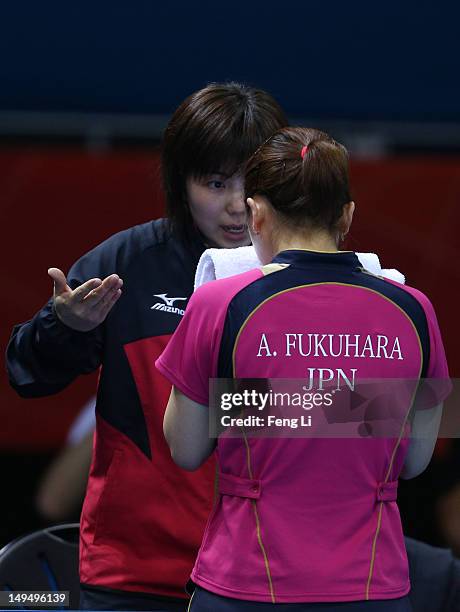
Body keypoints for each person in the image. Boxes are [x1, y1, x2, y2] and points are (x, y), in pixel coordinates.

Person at [6, 82, 288, 611]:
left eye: (251, 184)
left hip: (266, 574)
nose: (235, 206)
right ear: (181, 184)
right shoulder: (128, 263)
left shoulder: (304, 279)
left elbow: (351, 418)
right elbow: (27, 374)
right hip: (132, 574)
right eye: (214, 182)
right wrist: (66, 326)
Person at [157, 127, 450, 610]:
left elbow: (186, 450)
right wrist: (340, 406)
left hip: (244, 587)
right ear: (347, 214)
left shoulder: (218, 303)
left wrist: (271, 406)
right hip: (372, 589)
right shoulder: (415, 309)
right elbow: (414, 461)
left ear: (256, 213)